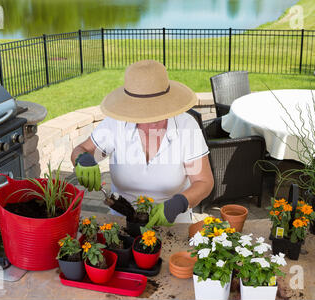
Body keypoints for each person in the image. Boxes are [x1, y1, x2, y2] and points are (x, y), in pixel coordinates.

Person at [71, 60, 214, 227]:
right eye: (144, 111)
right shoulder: (116, 124)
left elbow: (204, 182)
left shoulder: (186, 126)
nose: (153, 120)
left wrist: (179, 203)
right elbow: (82, 150)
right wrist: (83, 160)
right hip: (120, 221)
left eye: (159, 110)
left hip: (174, 223)